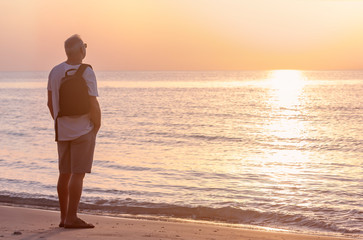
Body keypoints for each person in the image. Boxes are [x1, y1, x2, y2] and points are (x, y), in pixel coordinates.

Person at [47, 34, 101, 228]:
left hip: (62, 130)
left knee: (64, 174)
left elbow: (50, 103)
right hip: (82, 130)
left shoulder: (54, 71)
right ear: (81, 50)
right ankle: (72, 217)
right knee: (78, 174)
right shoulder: (87, 72)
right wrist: (96, 127)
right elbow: (93, 103)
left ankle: (63, 218)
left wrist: (60, 123)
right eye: (85, 46)